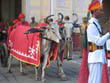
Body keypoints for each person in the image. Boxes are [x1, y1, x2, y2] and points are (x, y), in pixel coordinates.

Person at [87, 0, 110, 83]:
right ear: (95, 11)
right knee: (94, 81)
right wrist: (108, 34)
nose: (102, 13)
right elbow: (98, 42)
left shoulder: (95, 23)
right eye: (100, 10)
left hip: (97, 57)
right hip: (95, 57)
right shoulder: (92, 25)